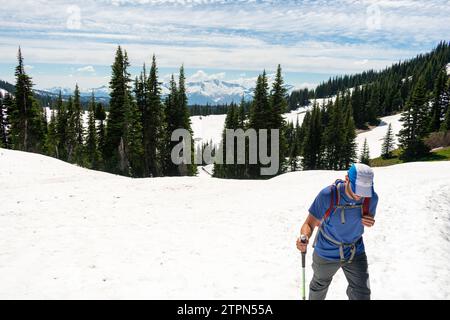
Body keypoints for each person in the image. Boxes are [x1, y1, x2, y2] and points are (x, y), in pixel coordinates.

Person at [296, 163, 378, 300]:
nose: (360, 195)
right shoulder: (328, 195)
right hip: (326, 251)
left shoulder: (371, 198)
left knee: (362, 293)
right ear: (347, 179)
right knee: (319, 287)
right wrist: (304, 236)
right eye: (357, 189)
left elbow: (365, 218)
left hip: (355, 251)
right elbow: (309, 223)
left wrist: (370, 220)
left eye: (364, 190)